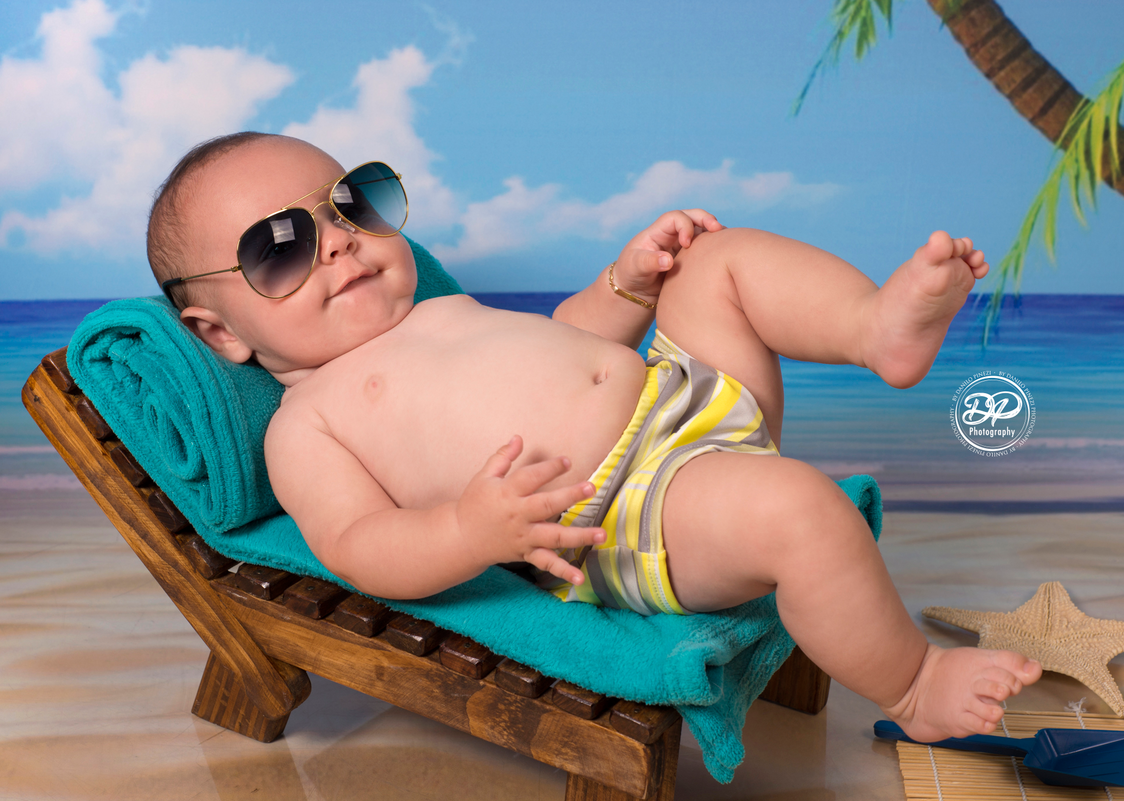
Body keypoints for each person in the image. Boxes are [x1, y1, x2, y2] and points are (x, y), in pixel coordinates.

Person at [147, 131, 1041, 743]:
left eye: (350, 205)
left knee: (714, 262)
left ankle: (874, 327)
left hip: (681, 399)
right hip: (635, 513)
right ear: (222, 334)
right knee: (802, 510)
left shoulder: (437, 304)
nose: (338, 244)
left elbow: (571, 336)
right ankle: (914, 685)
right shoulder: (310, 423)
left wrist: (628, 282)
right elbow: (359, 545)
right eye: (280, 249)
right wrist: (469, 530)